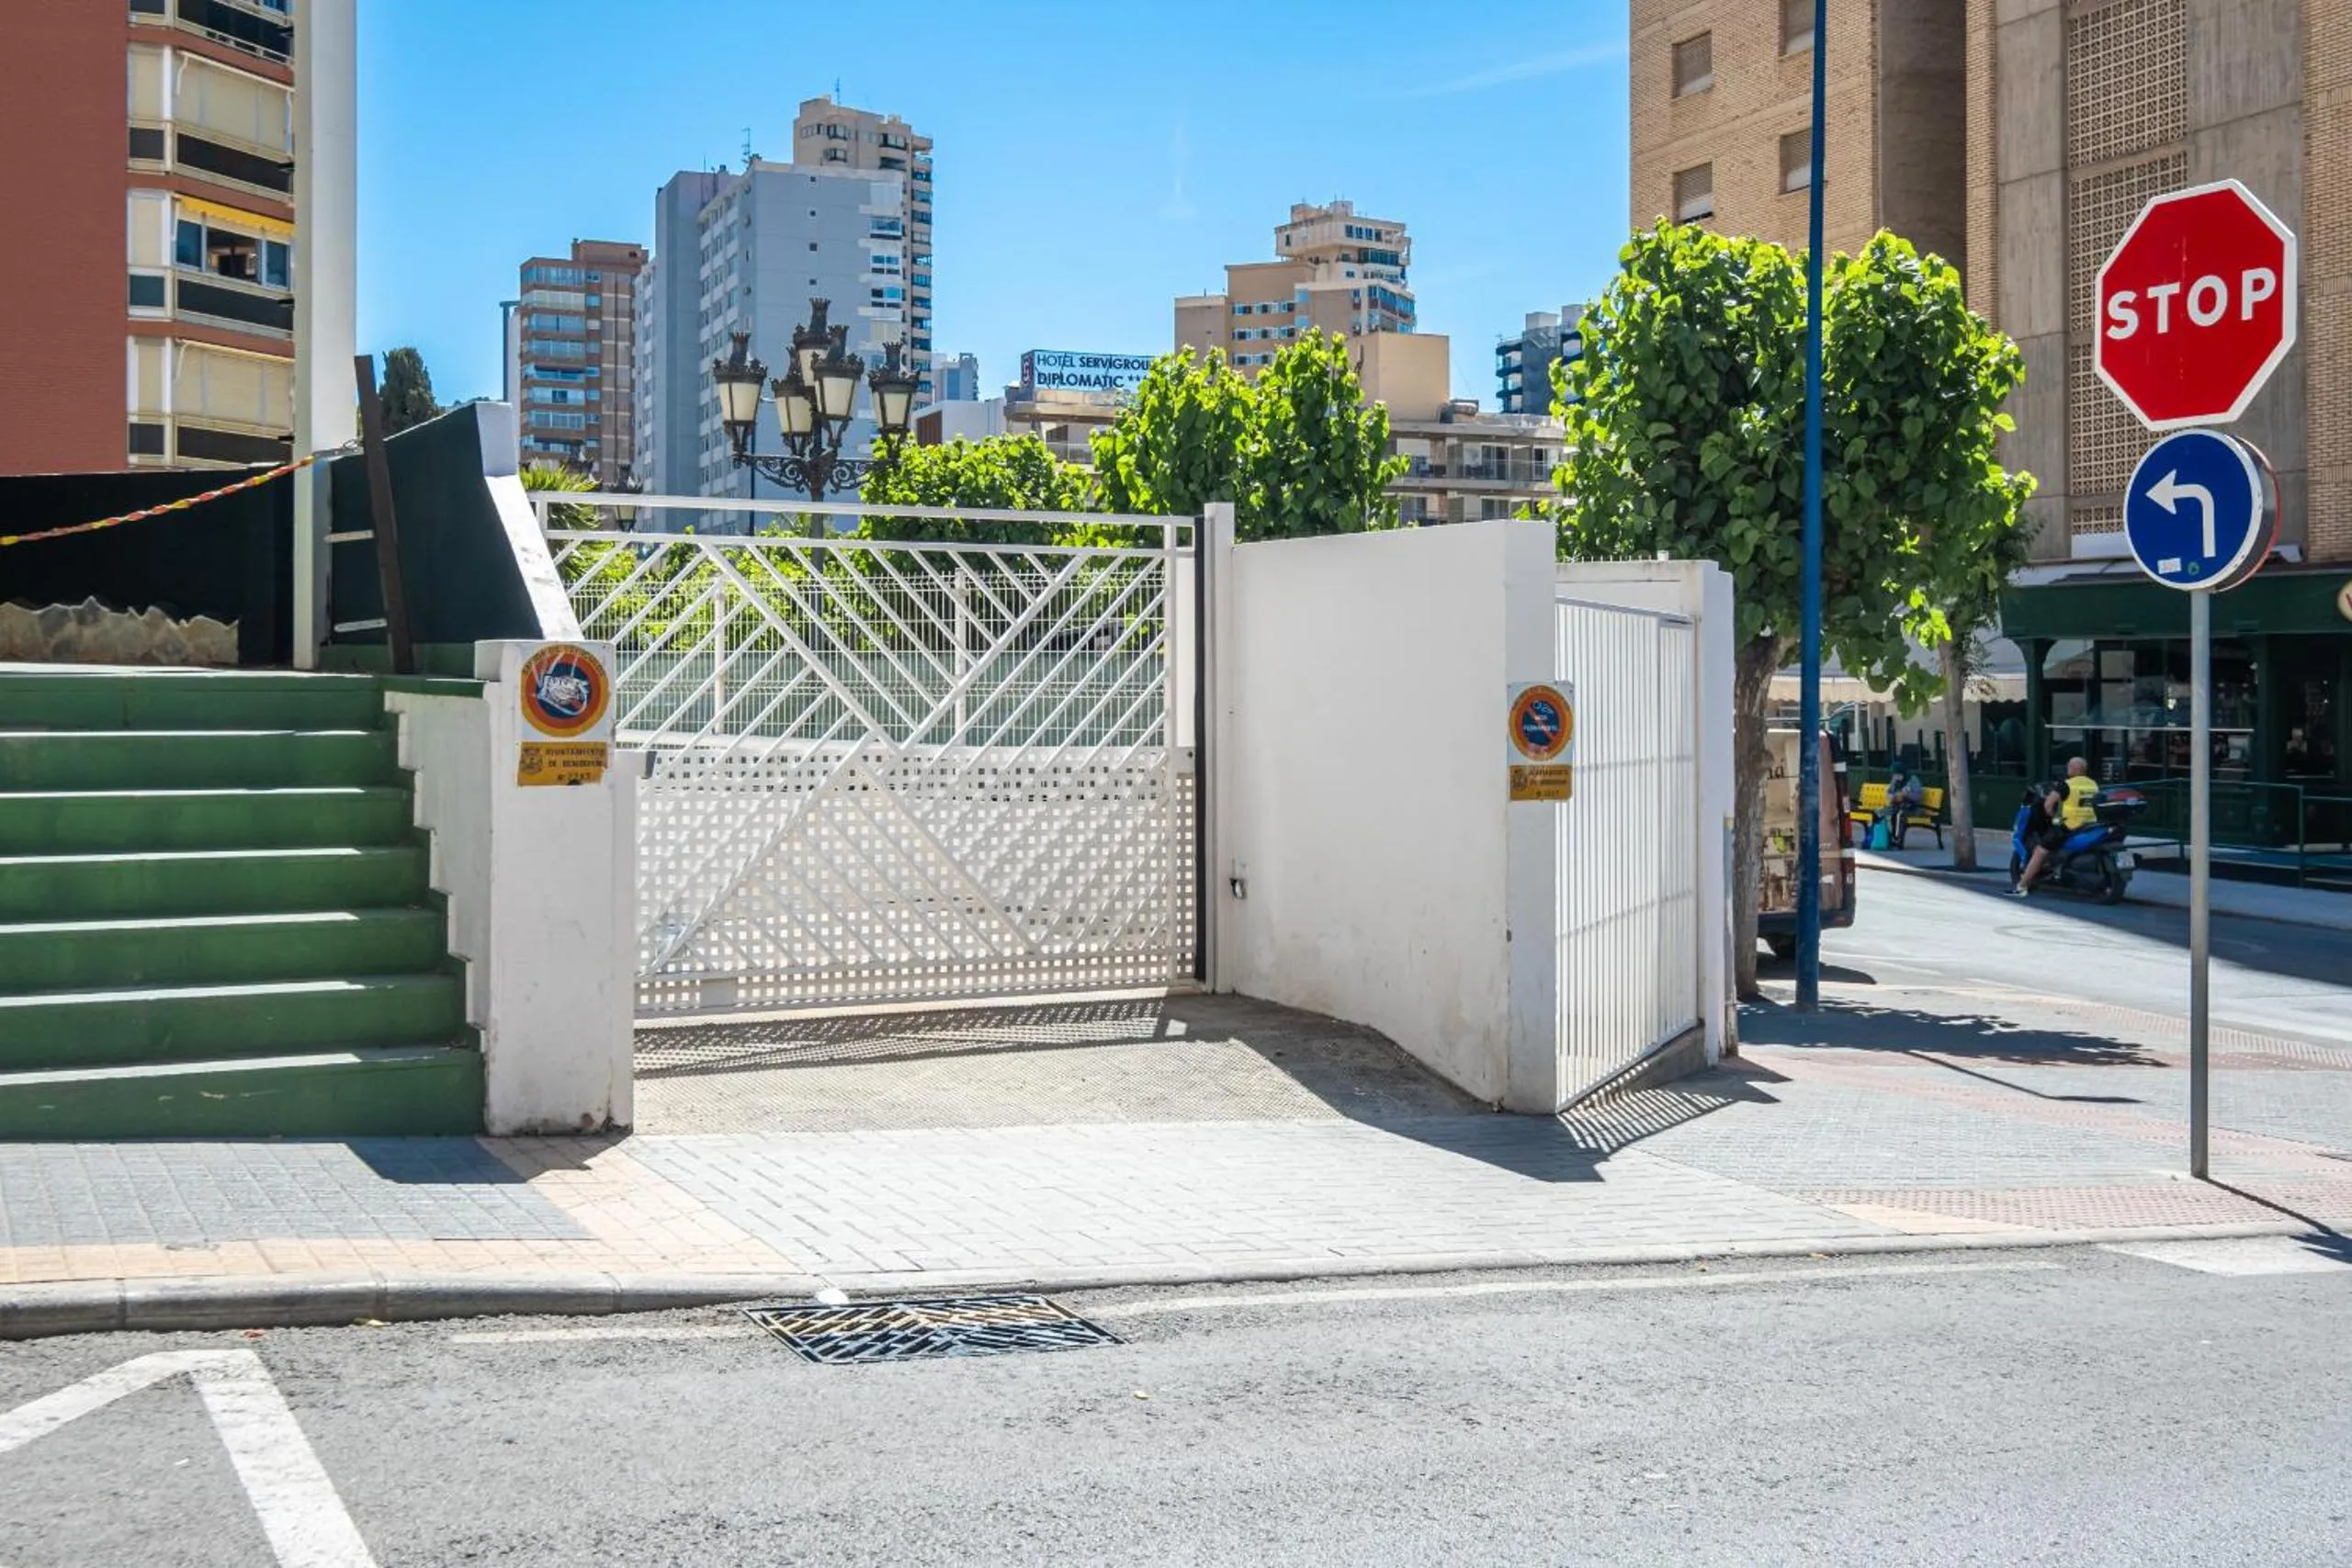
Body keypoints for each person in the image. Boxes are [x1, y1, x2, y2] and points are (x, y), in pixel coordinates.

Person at [2015, 757, 2098, 896]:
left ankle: (2023, 884)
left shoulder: (2067, 784)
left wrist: (2053, 816)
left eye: (2069, 767)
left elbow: (2048, 804)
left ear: (2074, 769)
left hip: (2069, 825)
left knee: (2040, 851)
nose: (2068, 769)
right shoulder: (2093, 784)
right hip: (2089, 823)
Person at [1878, 762, 1927, 850]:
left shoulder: (1912, 780)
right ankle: (1885, 839)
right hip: (1897, 805)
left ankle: (1898, 840)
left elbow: (1918, 796)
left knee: (1900, 815)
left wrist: (1907, 794)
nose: (1896, 776)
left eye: (1898, 774)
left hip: (1912, 808)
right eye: (1894, 774)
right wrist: (1892, 796)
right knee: (1881, 812)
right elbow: (1889, 793)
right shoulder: (1894, 781)